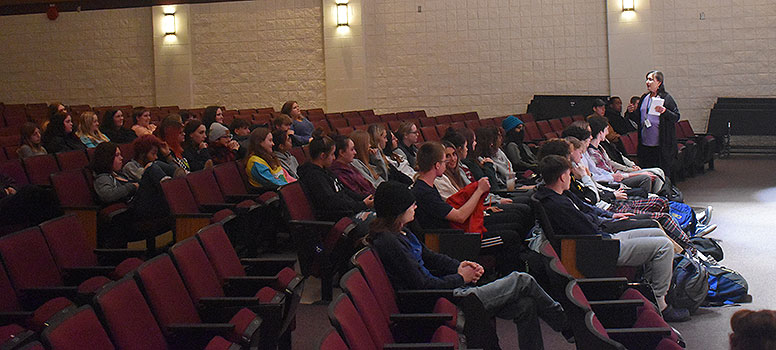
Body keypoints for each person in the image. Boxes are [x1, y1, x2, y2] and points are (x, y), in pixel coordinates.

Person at [368, 181, 570, 350]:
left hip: (453, 290)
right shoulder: (389, 242)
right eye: (410, 205)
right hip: (447, 300)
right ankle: (568, 325)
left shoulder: (403, 231)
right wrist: (460, 278)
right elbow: (423, 285)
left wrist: (461, 266)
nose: (415, 207)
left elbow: (430, 257)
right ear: (397, 210)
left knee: (526, 305)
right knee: (522, 280)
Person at [535, 155, 688, 322]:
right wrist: (607, 226)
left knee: (656, 232)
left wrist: (607, 220)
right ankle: (660, 302)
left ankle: (650, 291)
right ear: (562, 177)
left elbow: (587, 215)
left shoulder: (559, 195)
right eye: (568, 173)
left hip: (598, 238)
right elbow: (586, 228)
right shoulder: (558, 204)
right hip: (599, 247)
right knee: (664, 246)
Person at [540, 137, 699, 256]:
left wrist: (610, 213)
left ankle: (689, 245)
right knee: (658, 223)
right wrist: (588, 179)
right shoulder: (563, 191)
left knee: (657, 206)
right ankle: (689, 255)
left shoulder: (564, 187)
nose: (580, 155)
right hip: (603, 232)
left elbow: (588, 206)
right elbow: (591, 204)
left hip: (606, 212)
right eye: (574, 152)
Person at [412, 141, 529, 274]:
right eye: (444, 161)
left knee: (513, 225)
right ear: (437, 165)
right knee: (510, 237)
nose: (446, 164)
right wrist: (479, 191)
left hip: (455, 233)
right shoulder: (424, 192)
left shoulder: (427, 186)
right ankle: (510, 280)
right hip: (453, 240)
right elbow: (460, 216)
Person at [91, 142, 176, 247]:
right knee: (151, 169)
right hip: (132, 210)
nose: (121, 158)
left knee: (155, 164)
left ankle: (179, 177)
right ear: (107, 158)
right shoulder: (103, 177)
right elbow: (107, 195)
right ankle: (171, 187)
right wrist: (132, 186)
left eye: (121, 155)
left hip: (139, 204)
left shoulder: (118, 174)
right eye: (117, 155)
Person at [296, 135, 373, 222]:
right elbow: (333, 203)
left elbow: (344, 191)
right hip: (340, 219)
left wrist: (364, 199)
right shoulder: (314, 176)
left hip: (350, 211)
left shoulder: (325, 170)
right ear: (323, 156)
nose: (334, 158)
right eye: (332, 154)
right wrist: (361, 205)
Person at [586, 115, 662, 193]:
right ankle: (655, 196)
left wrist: (632, 167)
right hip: (615, 179)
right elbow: (609, 172)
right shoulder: (593, 152)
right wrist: (630, 170)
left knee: (658, 172)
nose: (608, 132)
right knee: (649, 176)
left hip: (618, 174)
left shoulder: (600, 147)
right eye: (606, 129)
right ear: (601, 132)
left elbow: (611, 163)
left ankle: (661, 195)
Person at [632, 70, 681, 179]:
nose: (647, 82)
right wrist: (631, 113)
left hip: (661, 145)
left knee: (662, 172)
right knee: (648, 172)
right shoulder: (644, 98)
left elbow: (676, 117)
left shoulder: (666, 98)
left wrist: (664, 111)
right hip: (645, 144)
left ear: (659, 82)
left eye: (651, 79)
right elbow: (638, 118)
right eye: (647, 79)